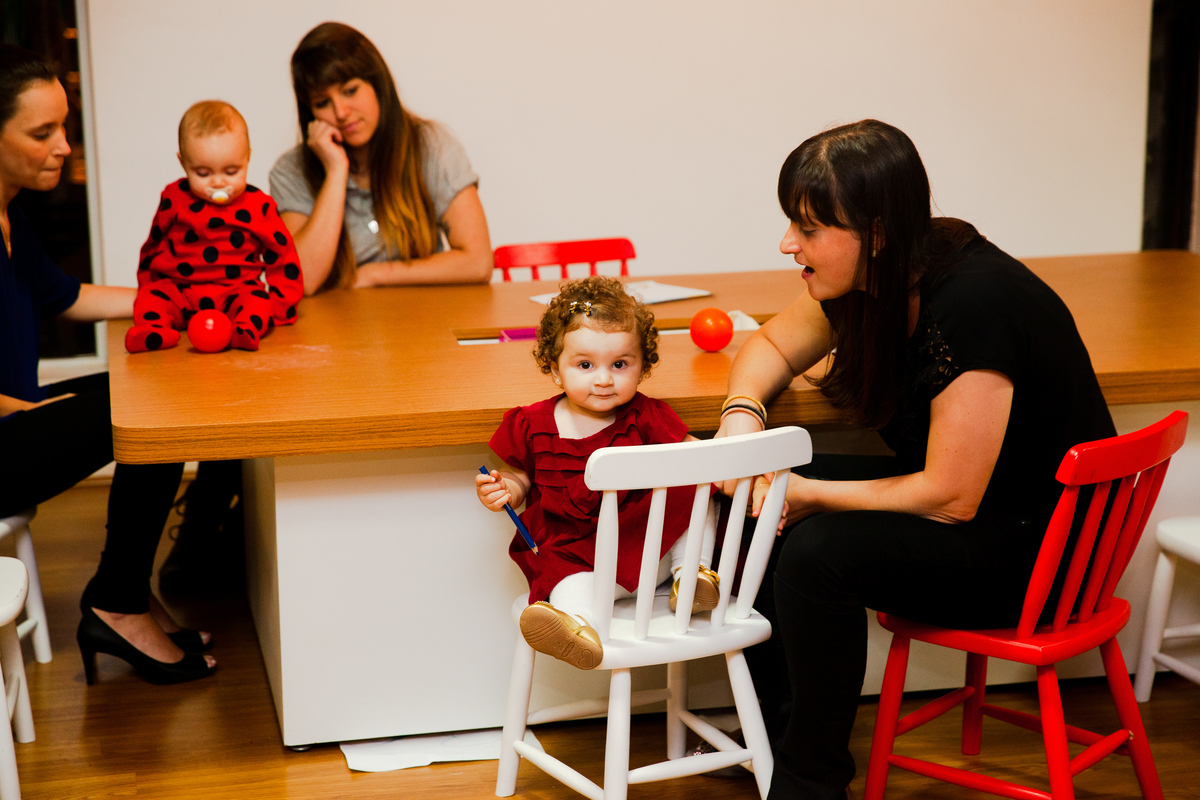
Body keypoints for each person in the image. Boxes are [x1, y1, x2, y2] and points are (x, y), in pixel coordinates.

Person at [715, 119, 1116, 799]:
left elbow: (949, 497)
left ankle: (810, 782)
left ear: (875, 233)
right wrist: (741, 416)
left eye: (808, 229)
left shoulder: (973, 302)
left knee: (813, 552)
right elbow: (771, 346)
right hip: (976, 509)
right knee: (748, 504)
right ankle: (777, 739)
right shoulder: (871, 277)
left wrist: (808, 493)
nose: (788, 244)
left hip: (1037, 549)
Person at [0, 44, 216, 683]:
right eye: (42, 133)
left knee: (160, 386)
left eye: (63, 127)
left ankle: (124, 591)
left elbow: (66, 297)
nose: (63, 147)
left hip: (15, 423)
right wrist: (39, 409)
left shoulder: (11, 214)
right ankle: (116, 604)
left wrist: (178, 301)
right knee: (148, 411)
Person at [476, 276, 719, 670]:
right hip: (578, 560)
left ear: (642, 367)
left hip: (647, 552)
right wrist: (506, 489)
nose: (604, 379)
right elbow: (520, 477)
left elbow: (702, 457)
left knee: (696, 484)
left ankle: (691, 575)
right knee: (563, 580)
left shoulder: (646, 416)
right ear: (555, 369)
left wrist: (736, 470)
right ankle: (578, 627)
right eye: (585, 365)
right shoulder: (532, 424)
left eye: (619, 364)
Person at [269, 21, 491, 294]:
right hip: (335, 320)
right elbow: (302, 280)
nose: (341, 112)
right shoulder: (291, 170)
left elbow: (478, 262)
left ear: (377, 84)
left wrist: (376, 274)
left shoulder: (430, 145)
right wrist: (336, 171)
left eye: (350, 91)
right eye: (322, 103)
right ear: (310, 113)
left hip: (425, 315)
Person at [125, 100, 303, 353]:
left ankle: (244, 329)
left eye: (231, 171)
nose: (218, 183)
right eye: (203, 173)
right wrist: (147, 284)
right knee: (152, 298)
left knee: (258, 301)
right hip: (181, 291)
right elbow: (154, 244)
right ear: (183, 163)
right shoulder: (174, 198)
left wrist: (282, 305)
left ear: (248, 157)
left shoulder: (259, 206)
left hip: (236, 293)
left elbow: (282, 254)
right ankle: (154, 330)